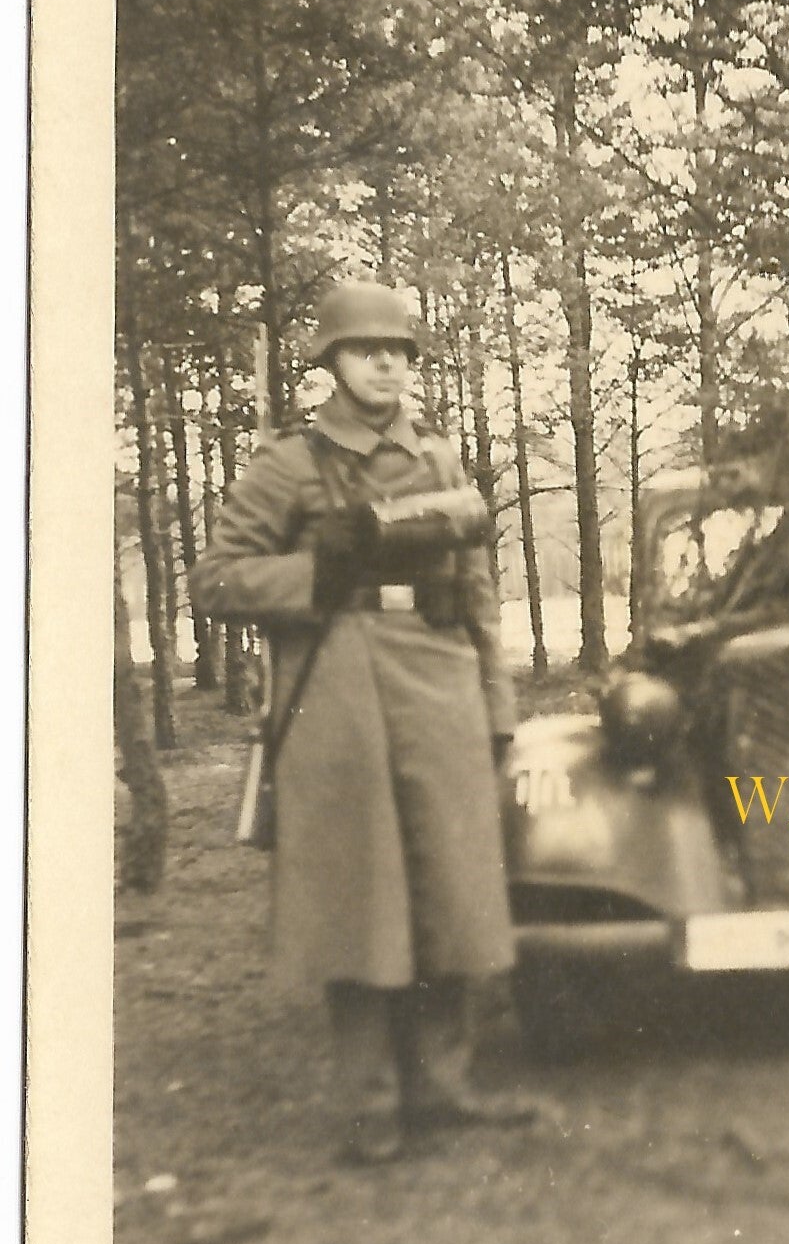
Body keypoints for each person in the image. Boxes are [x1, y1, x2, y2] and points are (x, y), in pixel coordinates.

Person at [192, 280, 542, 1164]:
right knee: (361, 894)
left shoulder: (440, 457)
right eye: (367, 349)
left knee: (450, 887)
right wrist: (317, 570)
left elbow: (476, 594)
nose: (387, 362)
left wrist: (496, 704)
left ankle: (446, 1087)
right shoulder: (290, 463)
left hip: (440, 675)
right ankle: (370, 1106)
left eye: (400, 350)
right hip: (339, 686)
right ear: (333, 363)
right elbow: (216, 579)